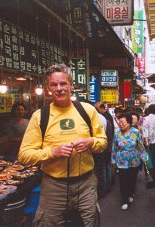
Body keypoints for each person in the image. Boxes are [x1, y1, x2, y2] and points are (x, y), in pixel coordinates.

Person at [18, 63, 107, 227]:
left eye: (63, 83)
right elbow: (24, 155)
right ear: (48, 88)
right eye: (54, 84)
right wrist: (52, 152)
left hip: (86, 184)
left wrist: (91, 142)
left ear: (71, 85)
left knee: (90, 223)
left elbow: (103, 143)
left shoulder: (87, 110)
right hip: (53, 186)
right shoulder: (40, 116)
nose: (59, 88)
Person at [111, 112, 148, 211]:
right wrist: (113, 160)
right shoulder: (116, 133)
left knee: (132, 179)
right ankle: (124, 200)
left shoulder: (135, 132)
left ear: (129, 123)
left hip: (134, 160)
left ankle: (131, 193)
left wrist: (145, 158)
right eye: (119, 122)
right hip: (122, 161)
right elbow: (114, 147)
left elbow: (140, 146)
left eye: (123, 122)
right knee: (123, 181)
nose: (120, 124)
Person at [142, 104, 155, 187]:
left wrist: (146, 142)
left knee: (149, 162)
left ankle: (151, 181)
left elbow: (145, 131)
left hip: (149, 143)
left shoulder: (146, 119)